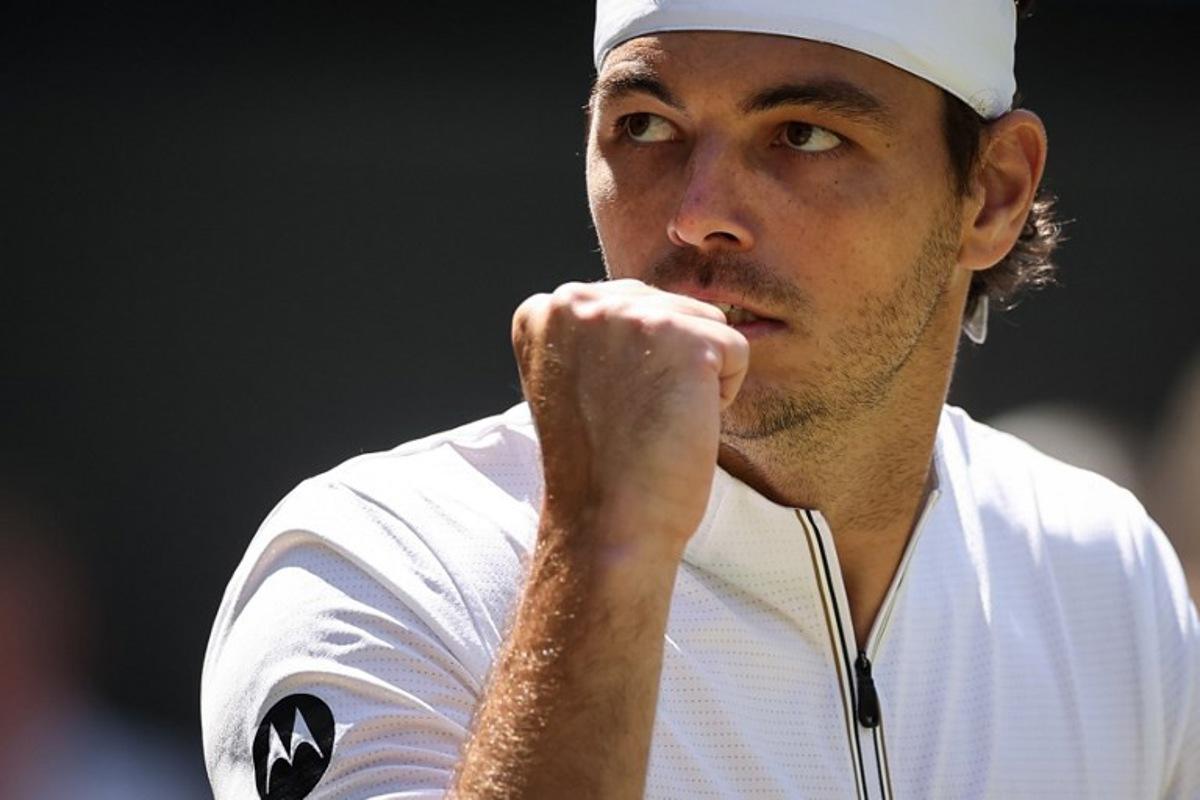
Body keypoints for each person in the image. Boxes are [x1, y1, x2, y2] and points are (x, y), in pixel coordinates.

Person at [201, 1, 1200, 798]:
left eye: (803, 135)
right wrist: (603, 549)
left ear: (990, 192)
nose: (697, 213)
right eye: (645, 126)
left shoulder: (1106, 573)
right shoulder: (374, 563)